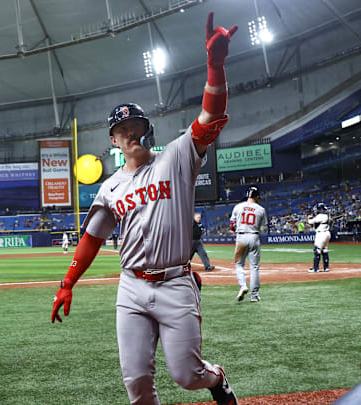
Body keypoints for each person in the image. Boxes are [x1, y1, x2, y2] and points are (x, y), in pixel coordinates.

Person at [51, 12, 238, 405]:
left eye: (136, 123)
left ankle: (217, 378)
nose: (130, 130)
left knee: (187, 376)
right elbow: (90, 239)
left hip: (175, 283)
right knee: (136, 382)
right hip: (132, 287)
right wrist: (68, 282)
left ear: (146, 128)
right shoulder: (111, 187)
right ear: (114, 139)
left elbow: (209, 117)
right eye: (122, 128)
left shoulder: (176, 158)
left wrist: (215, 65)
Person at [230, 186, 267, 302]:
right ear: (257, 197)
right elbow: (263, 228)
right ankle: (254, 295)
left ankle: (243, 285)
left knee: (239, 265)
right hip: (254, 236)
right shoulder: (261, 209)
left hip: (241, 237)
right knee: (254, 267)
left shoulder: (238, 207)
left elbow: (232, 225)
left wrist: (236, 230)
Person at [307, 202, 331, 272]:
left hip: (321, 234)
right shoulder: (326, 215)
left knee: (317, 250)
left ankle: (315, 268)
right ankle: (326, 267)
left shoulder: (321, 215)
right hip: (326, 233)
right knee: (324, 250)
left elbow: (311, 222)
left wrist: (309, 218)